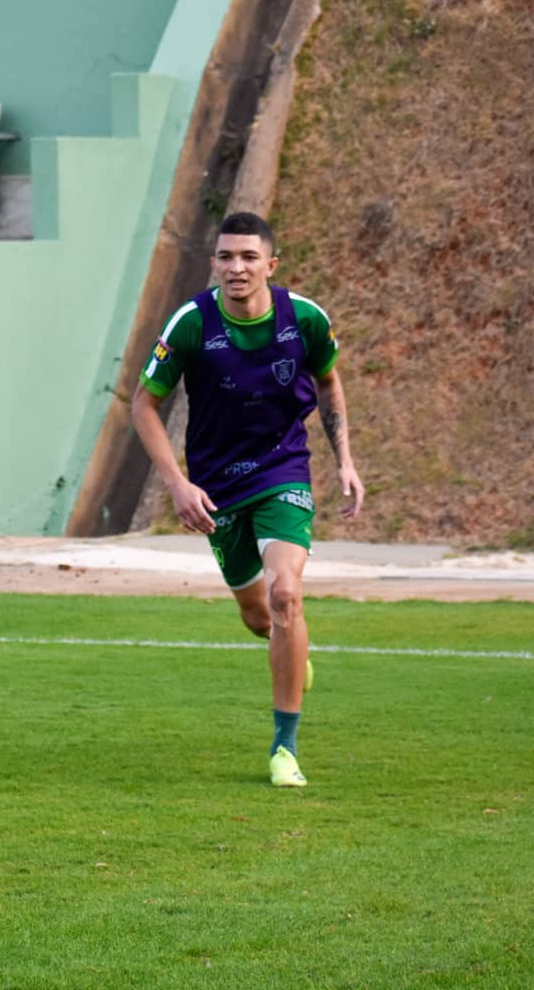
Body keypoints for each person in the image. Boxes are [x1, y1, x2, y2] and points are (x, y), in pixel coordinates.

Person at [130, 211, 364, 788]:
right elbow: (143, 404)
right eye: (226, 257)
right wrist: (179, 484)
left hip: (284, 471)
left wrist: (346, 462)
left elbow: (329, 382)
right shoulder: (191, 323)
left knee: (287, 593)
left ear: (271, 265)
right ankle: (289, 648)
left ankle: (284, 748)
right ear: (214, 263)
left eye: (249, 257)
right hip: (218, 487)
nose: (237, 267)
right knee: (260, 616)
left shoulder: (305, 320)